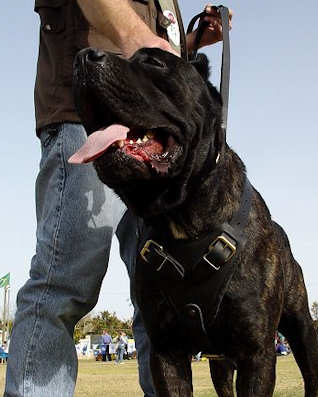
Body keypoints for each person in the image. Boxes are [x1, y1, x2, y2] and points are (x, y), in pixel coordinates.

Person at [4, 1, 232, 397]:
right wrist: (137, 36)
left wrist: (190, 44)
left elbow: (157, 61)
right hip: (87, 120)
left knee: (158, 299)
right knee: (65, 282)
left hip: (147, 135)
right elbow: (138, 37)